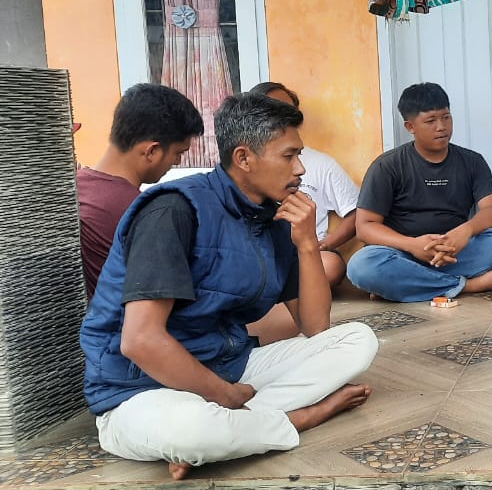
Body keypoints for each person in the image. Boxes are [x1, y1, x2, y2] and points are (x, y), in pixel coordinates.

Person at [79, 93, 378, 481]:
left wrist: (306, 244)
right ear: (244, 158)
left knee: (358, 340)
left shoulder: (274, 218)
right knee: (191, 431)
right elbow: (140, 341)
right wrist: (224, 394)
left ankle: (232, 433)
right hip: (138, 388)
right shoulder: (173, 210)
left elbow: (315, 326)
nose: (300, 168)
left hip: (227, 364)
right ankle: (297, 418)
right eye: (289, 156)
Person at [347, 83, 492, 302]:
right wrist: (412, 245)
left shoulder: (472, 161)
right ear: (410, 126)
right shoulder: (387, 166)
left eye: (446, 118)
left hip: (456, 252)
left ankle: (409, 285)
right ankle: (466, 285)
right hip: (405, 254)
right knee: (362, 265)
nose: (441, 127)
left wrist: (464, 232)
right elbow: (365, 226)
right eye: (431, 121)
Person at [77, 83, 203, 298]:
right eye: (178, 153)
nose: (177, 162)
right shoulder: (140, 210)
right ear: (152, 151)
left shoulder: (76, 186)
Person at [248, 82, 359, 287]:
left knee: (331, 265)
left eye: (287, 110)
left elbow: (356, 212)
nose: (299, 169)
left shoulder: (321, 163)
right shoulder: (247, 162)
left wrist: (323, 244)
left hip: (303, 255)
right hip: (257, 254)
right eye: (272, 109)